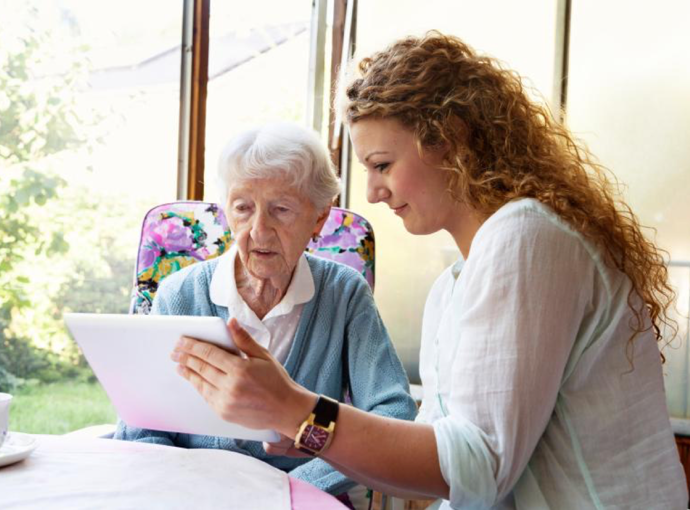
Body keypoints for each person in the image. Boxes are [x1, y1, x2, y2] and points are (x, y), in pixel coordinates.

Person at [169, 33, 689, 509]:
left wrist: (298, 410)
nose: (371, 192)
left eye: (381, 165)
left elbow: (478, 465)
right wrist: (303, 425)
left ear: (451, 138)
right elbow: (429, 465)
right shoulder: (454, 286)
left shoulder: (528, 238)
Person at [113, 122, 418, 505]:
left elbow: (394, 414)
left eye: (281, 209)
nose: (259, 230)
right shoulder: (180, 293)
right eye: (243, 208)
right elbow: (141, 424)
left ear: (319, 219)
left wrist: (294, 487)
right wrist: (188, 490)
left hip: (301, 498)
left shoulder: (344, 294)